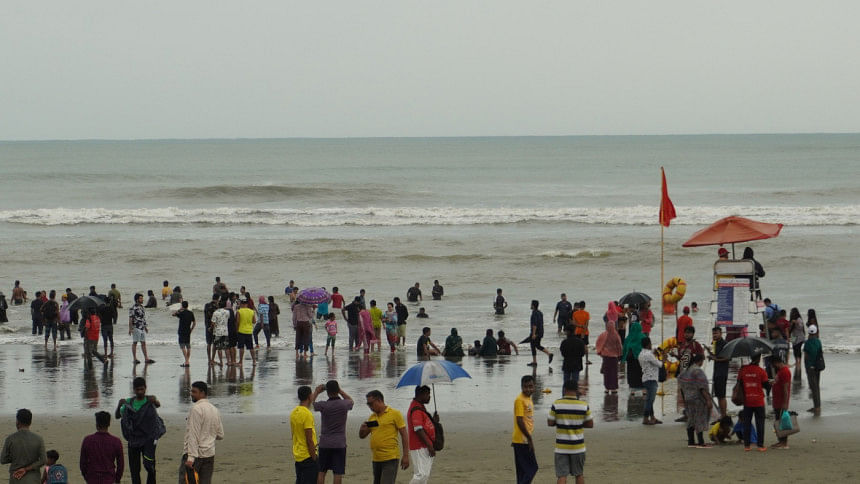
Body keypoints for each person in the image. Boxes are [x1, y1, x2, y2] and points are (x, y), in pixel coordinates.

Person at [115, 377, 164, 484]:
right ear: (134, 389)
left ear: (146, 388)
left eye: (142, 389)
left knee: (149, 465)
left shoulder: (150, 399)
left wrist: (155, 401)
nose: (140, 392)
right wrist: (119, 405)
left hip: (149, 440)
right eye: (137, 389)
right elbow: (118, 416)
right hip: (134, 440)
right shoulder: (129, 402)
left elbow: (158, 404)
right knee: (134, 470)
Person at [359, 390, 409, 484]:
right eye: (368, 404)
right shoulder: (372, 417)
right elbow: (362, 436)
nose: (370, 407)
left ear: (379, 400)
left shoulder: (394, 414)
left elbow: (404, 435)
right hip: (376, 459)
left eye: (371, 404)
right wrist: (362, 429)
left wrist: (406, 456)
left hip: (390, 458)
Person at [547, 381, 593, 484]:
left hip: (561, 447)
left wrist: (560, 422)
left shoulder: (557, 404)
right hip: (578, 447)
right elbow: (590, 424)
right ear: (576, 390)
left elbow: (550, 422)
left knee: (562, 475)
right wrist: (578, 424)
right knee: (579, 474)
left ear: (564, 389)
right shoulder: (584, 405)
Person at [313, 381, 354, 484]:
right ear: (337, 390)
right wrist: (340, 391)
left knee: (322, 471)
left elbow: (311, 404)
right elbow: (351, 401)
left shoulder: (324, 405)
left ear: (327, 392)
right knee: (337, 472)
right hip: (339, 443)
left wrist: (317, 392)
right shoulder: (344, 404)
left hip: (325, 442)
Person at [1, 409, 45, 484]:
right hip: (33, 479)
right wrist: (26, 469)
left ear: (17, 422)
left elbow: (3, 460)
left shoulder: (10, 439)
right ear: (30, 422)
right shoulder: (38, 439)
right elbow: (43, 460)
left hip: (16, 478)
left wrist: (14, 456)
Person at [79, 411, 124, 484]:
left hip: (92, 478)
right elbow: (120, 465)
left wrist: (87, 477)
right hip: (109, 478)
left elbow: (82, 463)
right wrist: (117, 479)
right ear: (109, 424)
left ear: (96, 424)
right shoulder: (116, 441)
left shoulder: (87, 440)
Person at [679, 354, 713, 448]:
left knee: (691, 418)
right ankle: (701, 442)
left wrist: (684, 398)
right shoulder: (698, 371)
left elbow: (681, 385)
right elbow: (702, 387)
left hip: (688, 398)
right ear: (700, 360)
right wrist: (708, 400)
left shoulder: (685, 371)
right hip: (698, 399)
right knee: (699, 418)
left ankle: (691, 441)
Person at [738, 353, 769, 451]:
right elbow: (766, 386)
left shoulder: (743, 370)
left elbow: (739, 383)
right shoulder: (761, 371)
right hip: (759, 400)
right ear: (759, 359)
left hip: (747, 400)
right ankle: (760, 445)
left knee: (746, 423)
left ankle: (747, 446)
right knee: (760, 423)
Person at [672, 326, 704, 421]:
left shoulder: (696, 345)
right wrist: (675, 356)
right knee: (684, 395)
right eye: (686, 332)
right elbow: (682, 359)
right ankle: (687, 415)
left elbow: (701, 359)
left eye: (689, 333)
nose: (687, 334)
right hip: (682, 374)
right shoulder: (682, 345)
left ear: (693, 334)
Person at [407, 386, 437, 484]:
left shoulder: (420, 406)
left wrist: (434, 421)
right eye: (428, 394)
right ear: (421, 394)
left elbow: (424, 425)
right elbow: (418, 429)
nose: (429, 397)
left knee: (425, 475)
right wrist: (429, 445)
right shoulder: (416, 409)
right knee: (421, 475)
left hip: (424, 445)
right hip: (419, 446)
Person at [291, 386, 320, 484]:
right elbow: (309, 439)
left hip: (298, 454)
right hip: (307, 455)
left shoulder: (294, 412)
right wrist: (314, 457)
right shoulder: (307, 414)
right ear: (309, 396)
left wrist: (316, 392)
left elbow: (295, 434)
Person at [512, 375, 537, 484]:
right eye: (525, 387)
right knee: (532, 468)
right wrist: (529, 438)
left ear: (534, 386)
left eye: (530, 386)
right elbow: (519, 420)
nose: (528, 389)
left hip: (520, 439)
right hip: (523, 439)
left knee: (522, 471)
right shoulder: (519, 400)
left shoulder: (528, 399)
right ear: (521, 387)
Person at [706, 326, 730, 417]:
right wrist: (709, 352)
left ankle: (724, 415)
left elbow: (728, 358)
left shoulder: (724, 344)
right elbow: (715, 355)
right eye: (713, 333)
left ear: (721, 333)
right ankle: (722, 415)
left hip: (722, 373)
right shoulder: (714, 343)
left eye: (716, 333)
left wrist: (715, 359)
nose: (714, 335)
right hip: (716, 372)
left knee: (721, 395)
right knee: (719, 395)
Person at [638, 337, 663, 425]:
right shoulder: (649, 354)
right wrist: (662, 358)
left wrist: (654, 353)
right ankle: (645, 418)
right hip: (651, 379)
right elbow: (659, 364)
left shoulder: (641, 353)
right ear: (649, 344)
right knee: (650, 400)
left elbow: (650, 357)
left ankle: (652, 417)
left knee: (649, 399)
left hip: (645, 378)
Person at [595, 318, 622, 393]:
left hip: (605, 356)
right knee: (614, 372)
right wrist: (620, 354)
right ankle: (613, 388)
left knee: (606, 373)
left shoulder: (603, 335)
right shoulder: (616, 335)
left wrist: (600, 352)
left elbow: (598, 343)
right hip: (614, 357)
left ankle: (607, 388)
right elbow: (619, 346)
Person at [771, 357, 792, 449]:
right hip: (777, 400)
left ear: (777, 363)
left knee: (781, 422)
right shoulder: (780, 371)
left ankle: (784, 443)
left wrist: (785, 403)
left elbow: (785, 388)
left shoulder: (785, 372)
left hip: (781, 401)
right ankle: (781, 441)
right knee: (778, 421)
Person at [524, 300, 553, 366]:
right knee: (537, 345)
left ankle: (535, 362)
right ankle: (548, 354)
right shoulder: (540, 312)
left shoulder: (534, 313)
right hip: (540, 332)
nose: (530, 306)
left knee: (533, 346)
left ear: (533, 306)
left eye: (531, 304)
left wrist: (533, 334)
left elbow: (535, 324)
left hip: (536, 332)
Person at [129, 293, 154, 365]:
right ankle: (134, 358)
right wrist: (130, 329)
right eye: (141, 298)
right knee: (135, 343)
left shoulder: (142, 307)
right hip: (136, 327)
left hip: (142, 327)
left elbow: (143, 318)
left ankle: (146, 358)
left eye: (142, 298)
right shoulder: (133, 308)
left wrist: (145, 327)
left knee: (143, 343)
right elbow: (130, 318)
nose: (142, 299)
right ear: (137, 299)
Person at [803, 325, 823, 415]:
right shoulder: (819, 342)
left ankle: (817, 407)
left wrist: (807, 366)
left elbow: (806, 356)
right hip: (818, 367)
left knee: (813, 387)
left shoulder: (807, 343)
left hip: (810, 367)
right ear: (815, 332)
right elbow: (820, 353)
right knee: (816, 386)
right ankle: (817, 406)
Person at [622, 320, 645, 390]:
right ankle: (643, 389)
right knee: (641, 373)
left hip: (630, 358)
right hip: (641, 358)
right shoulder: (643, 336)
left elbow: (624, 349)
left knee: (631, 373)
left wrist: (623, 359)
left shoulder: (628, 338)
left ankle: (632, 389)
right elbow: (646, 347)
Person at [173, 300, 196, 368]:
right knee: (188, 346)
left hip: (181, 331)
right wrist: (191, 330)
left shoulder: (181, 313)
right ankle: (186, 362)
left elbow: (173, 314)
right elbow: (194, 323)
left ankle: (186, 361)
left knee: (182, 346)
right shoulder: (191, 313)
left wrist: (179, 309)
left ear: (182, 306)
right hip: (188, 331)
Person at [236, 298, 257, 366]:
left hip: (241, 331)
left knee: (241, 347)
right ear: (247, 304)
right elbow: (254, 321)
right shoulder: (251, 311)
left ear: (241, 304)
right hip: (249, 331)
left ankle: (241, 362)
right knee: (251, 347)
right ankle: (254, 361)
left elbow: (238, 322)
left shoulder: (239, 311)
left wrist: (236, 330)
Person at [211, 299, 230, 366]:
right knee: (226, 348)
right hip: (225, 331)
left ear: (218, 305)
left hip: (218, 331)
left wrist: (211, 328)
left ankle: (221, 362)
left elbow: (213, 323)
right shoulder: (228, 312)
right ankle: (228, 361)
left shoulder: (215, 312)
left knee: (219, 348)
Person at [203, 294, 219, 366]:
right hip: (214, 327)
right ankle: (212, 359)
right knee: (214, 344)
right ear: (218, 299)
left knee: (209, 343)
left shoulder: (206, 305)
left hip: (207, 326)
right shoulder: (216, 307)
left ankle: (209, 360)